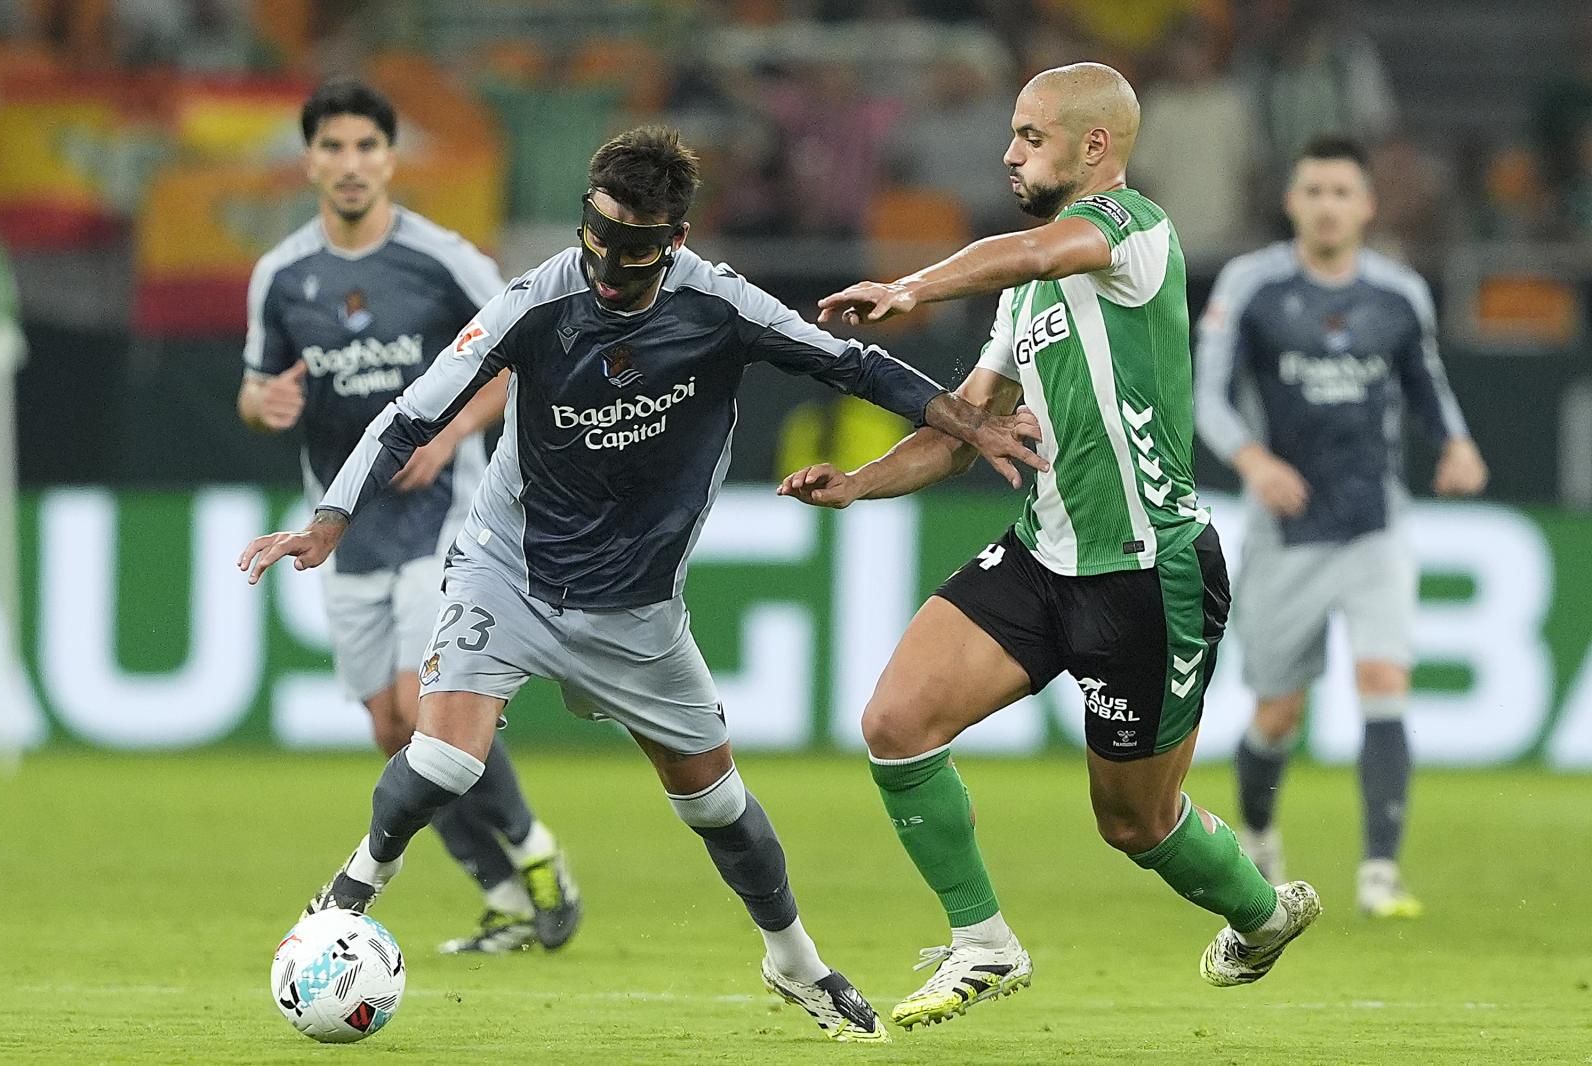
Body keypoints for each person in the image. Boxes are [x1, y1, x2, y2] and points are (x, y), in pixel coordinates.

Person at [237, 125, 1047, 1043]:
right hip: (512, 569)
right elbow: (413, 410)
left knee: (716, 805)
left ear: (679, 236)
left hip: (638, 610)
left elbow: (851, 363)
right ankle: (342, 901)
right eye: (601, 235)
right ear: (587, 217)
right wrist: (329, 521)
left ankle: (795, 961)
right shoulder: (533, 301)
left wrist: (963, 424)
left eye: (638, 246)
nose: (613, 265)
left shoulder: (721, 305)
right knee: (446, 757)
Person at [784, 62, 1320, 1031]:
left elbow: (1033, 254)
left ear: (1095, 147)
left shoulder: (1134, 233)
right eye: (1015, 133)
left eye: (1030, 135)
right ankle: (983, 940)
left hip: (1149, 574)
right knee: (895, 724)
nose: (1009, 151)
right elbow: (966, 427)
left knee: (1135, 823)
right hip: (1042, 555)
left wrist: (910, 285)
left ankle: (1262, 914)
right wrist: (859, 485)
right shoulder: (1026, 299)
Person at [238, 79, 578, 956]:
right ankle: (504, 894)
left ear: (390, 159)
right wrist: (260, 405)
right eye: (333, 148)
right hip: (343, 529)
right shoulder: (281, 276)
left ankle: (538, 854)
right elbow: (255, 386)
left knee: (423, 708)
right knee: (392, 729)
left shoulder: (444, 260)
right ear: (309, 159)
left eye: (366, 147)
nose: (350, 165)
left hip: (444, 514)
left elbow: (515, 360)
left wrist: (454, 427)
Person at [1194, 135, 1488, 917]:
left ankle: (1380, 878)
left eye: (1341, 192)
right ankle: (1258, 838)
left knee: (1384, 679)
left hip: (1374, 520)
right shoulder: (1253, 286)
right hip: (1286, 529)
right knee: (1277, 711)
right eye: (1313, 191)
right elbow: (1209, 397)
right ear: (1292, 202)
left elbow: (1427, 383)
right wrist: (1254, 461)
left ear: (1366, 205)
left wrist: (1455, 444)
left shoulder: (1398, 293)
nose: (1327, 204)